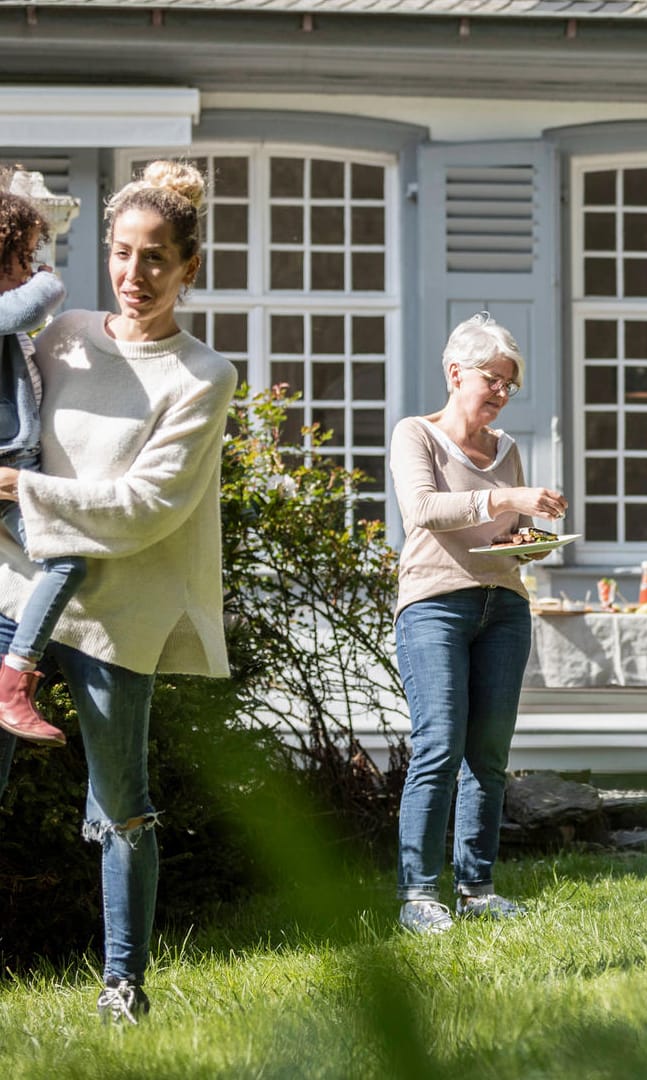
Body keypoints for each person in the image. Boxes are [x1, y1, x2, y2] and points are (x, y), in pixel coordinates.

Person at [0, 160, 239, 1023]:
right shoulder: (61, 334)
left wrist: (18, 495)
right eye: (122, 254)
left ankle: (122, 986)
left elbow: (148, 507)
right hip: (17, 593)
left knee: (120, 807)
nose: (134, 277)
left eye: (155, 260)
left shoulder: (203, 375)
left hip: (116, 611)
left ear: (190, 267)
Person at [389, 312, 567, 934]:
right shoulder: (416, 434)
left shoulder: (508, 451)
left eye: (509, 386)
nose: (500, 394)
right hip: (434, 604)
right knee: (438, 746)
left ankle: (476, 888)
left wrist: (530, 541)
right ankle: (419, 895)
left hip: (505, 606)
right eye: (493, 379)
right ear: (455, 371)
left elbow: (503, 534)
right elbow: (423, 511)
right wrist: (509, 499)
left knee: (488, 756)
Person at [0, 188, 88, 748]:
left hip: (19, 462)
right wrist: (49, 277)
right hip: (6, 468)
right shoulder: (13, 307)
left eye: (36, 256)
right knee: (67, 561)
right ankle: (14, 679)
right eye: (24, 256)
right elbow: (35, 303)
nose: (33, 267)